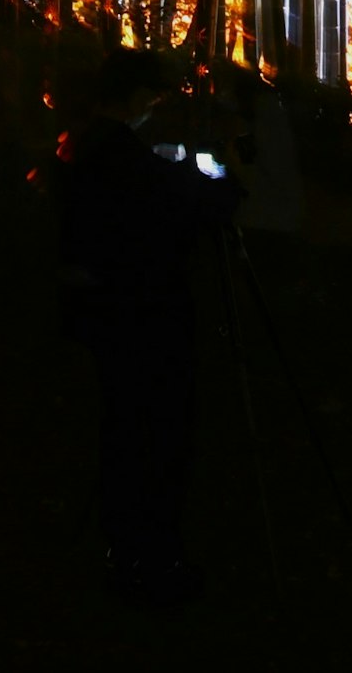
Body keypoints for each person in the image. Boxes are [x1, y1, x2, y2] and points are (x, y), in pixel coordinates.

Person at [57, 47, 232, 609]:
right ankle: (149, 556)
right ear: (135, 97)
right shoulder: (119, 155)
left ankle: (129, 549)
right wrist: (207, 184)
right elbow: (180, 210)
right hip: (145, 316)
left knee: (125, 430)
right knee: (152, 434)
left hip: (113, 314)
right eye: (152, 96)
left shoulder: (91, 146)